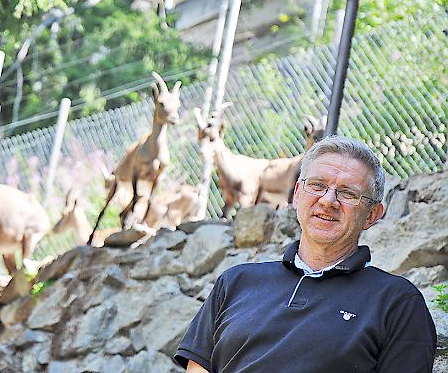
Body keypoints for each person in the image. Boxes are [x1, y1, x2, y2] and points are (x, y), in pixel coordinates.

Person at [175, 135, 437, 372]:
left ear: (371, 215)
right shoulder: (234, 283)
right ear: (297, 195)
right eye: (317, 185)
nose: (328, 200)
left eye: (347, 193)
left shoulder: (398, 303)